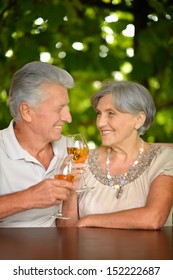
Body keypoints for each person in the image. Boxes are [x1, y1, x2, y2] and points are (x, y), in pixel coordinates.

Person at [60, 80, 173, 230]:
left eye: (111, 113)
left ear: (139, 120)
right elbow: (66, 231)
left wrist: (88, 220)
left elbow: (153, 218)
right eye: (99, 114)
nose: (100, 123)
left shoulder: (163, 159)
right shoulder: (83, 160)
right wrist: (70, 192)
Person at [0, 61, 75, 227]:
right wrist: (28, 198)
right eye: (59, 109)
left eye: (67, 107)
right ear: (27, 111)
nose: (68, 118)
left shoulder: (71, 149)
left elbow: (69, 228)